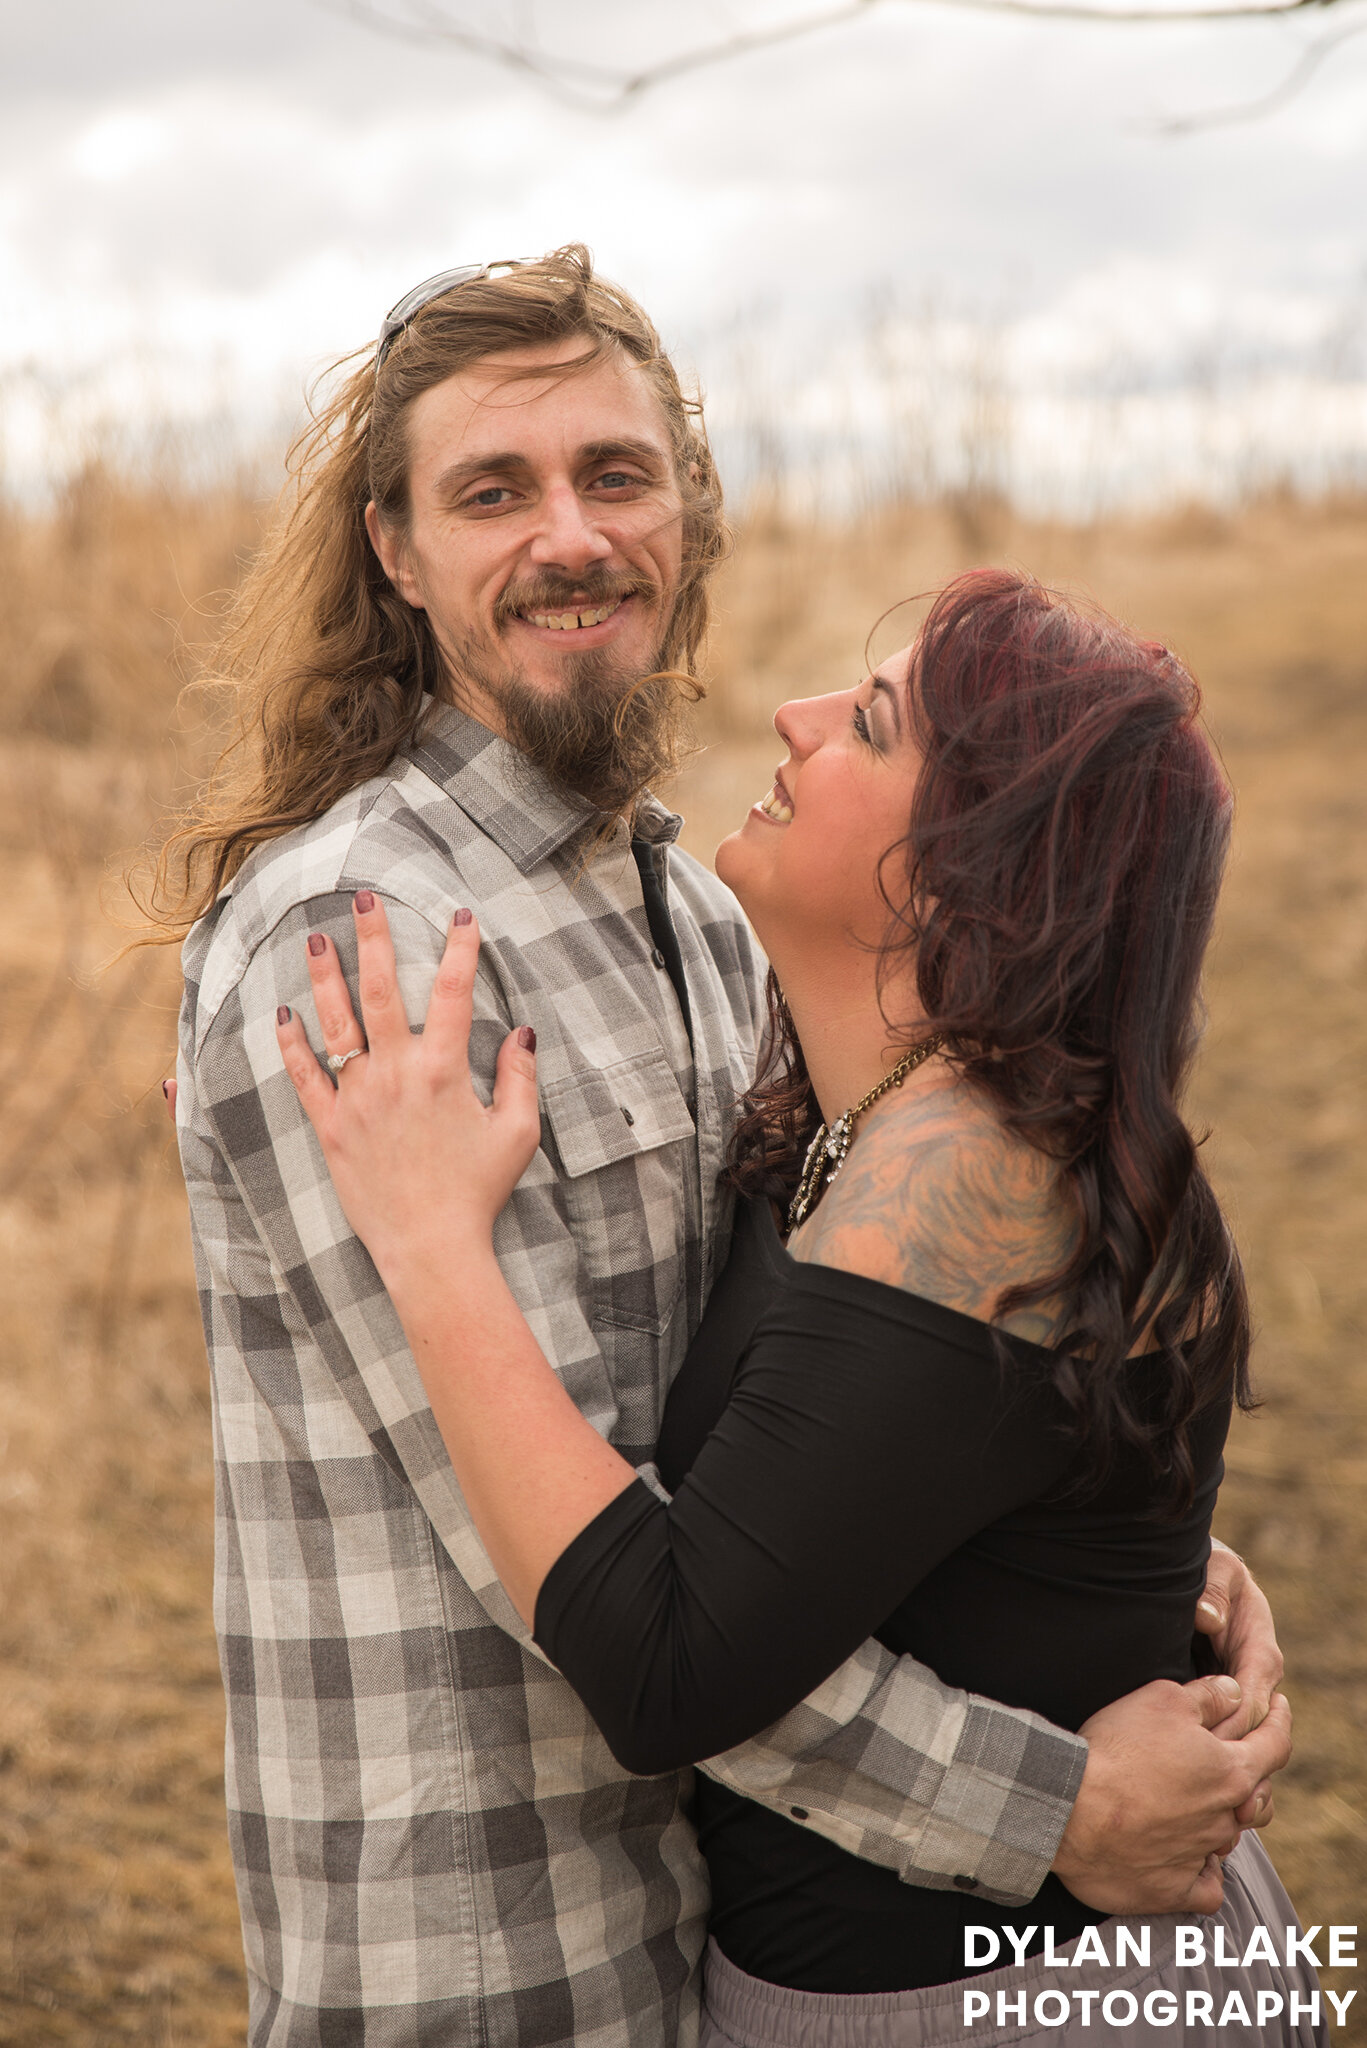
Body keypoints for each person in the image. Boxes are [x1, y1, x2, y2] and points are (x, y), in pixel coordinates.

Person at [162, 247, 1288, 2047]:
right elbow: (590, 1587)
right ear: (396, 552)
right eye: (491, 490)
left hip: (746, 1933)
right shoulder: (360, 951)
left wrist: (1120, 1596)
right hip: (501, 1949)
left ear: (687, 507)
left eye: (616, 474)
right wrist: (1059, 1799)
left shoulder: (703, 918)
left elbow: (835, 1440)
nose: (573, 536)